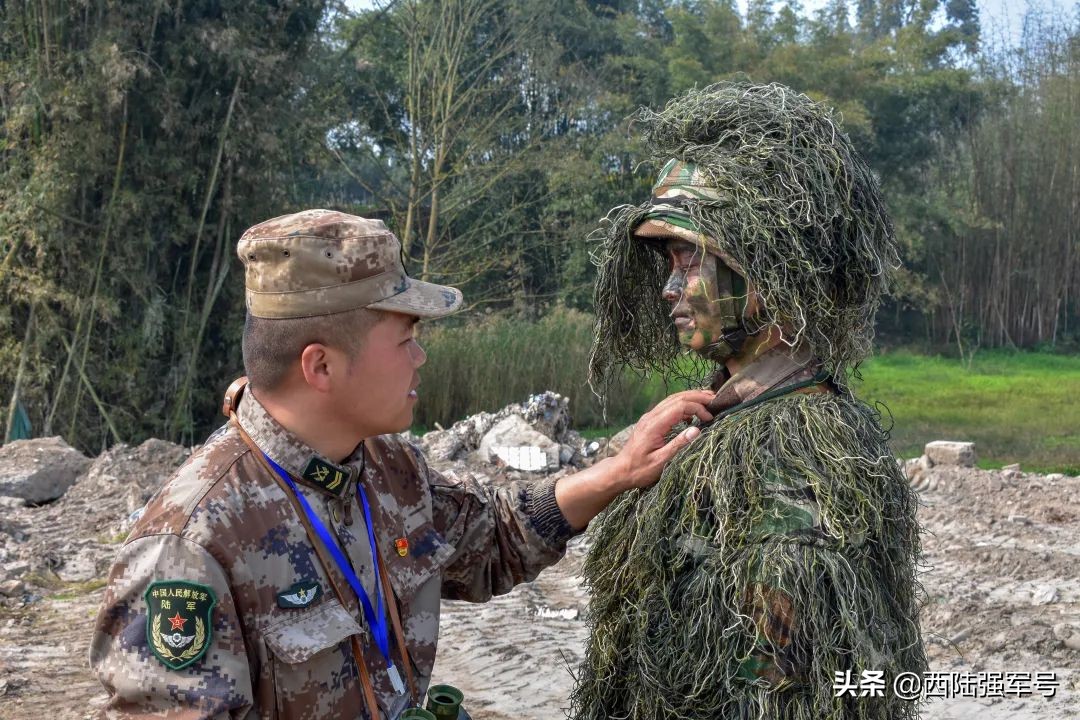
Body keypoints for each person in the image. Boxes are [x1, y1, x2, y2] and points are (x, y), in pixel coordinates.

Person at [89, 209, 715, 719]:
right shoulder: (191, 545)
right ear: (322, 367)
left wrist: (620, 469)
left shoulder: (384, 469)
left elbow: (491, 536)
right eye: (406, 339)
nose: (420, 360)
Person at [570, 83, 926, 720]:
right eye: (669, 264)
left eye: (690, 261)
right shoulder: (734, 415)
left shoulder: (794, 456)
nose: (671, 289)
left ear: (767, 270)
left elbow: (780, 686)